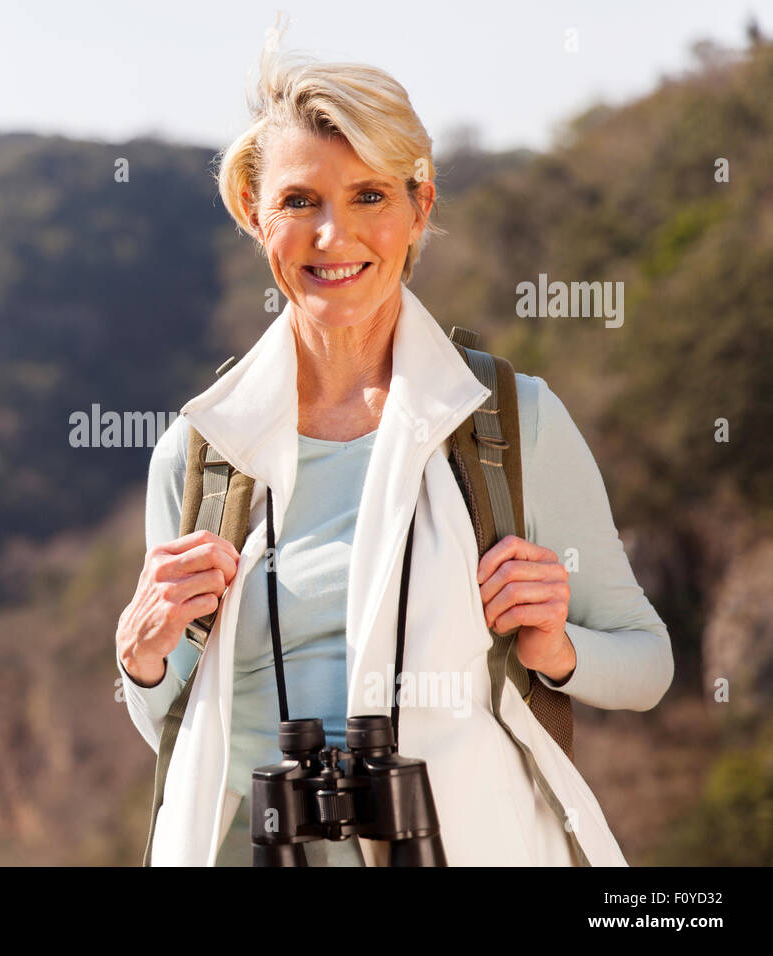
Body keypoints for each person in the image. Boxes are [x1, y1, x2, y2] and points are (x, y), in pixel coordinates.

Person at [114, 26, 673, 866]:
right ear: (255, 217)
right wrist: (143, 658)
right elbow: (173, 721)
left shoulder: (509, 425)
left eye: (369, 196)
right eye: (300, 201)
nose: (334, 237)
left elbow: (648, 662)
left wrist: (556, 648)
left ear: (421, 207)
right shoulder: (201, 450)